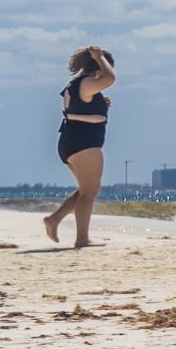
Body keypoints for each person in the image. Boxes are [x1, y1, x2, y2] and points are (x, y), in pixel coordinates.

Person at [44, 46, 117, 247]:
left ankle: (54, 219)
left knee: (88, 189)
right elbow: (110, 79)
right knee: (88, 192)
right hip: (83, 143)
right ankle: (82, 238)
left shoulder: (77, 85)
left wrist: (102, 103)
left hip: (71, 142)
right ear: (98, 67)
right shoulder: (85, 83)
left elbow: (80, 107)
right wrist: (101, 57)